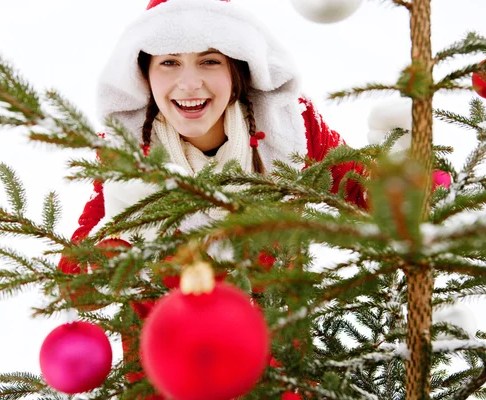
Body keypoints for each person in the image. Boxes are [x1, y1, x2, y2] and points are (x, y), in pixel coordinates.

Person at [59, 0, 366, 396]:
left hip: (276, 382)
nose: (189, 84)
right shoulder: (127, 152)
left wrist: (417, 176)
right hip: (164, 385)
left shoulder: (289, 126)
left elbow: (367, 187)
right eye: (169, 62)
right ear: (145, 75)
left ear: (237, 66)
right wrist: (112, 259)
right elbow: (76, 274)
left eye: (209, 61)